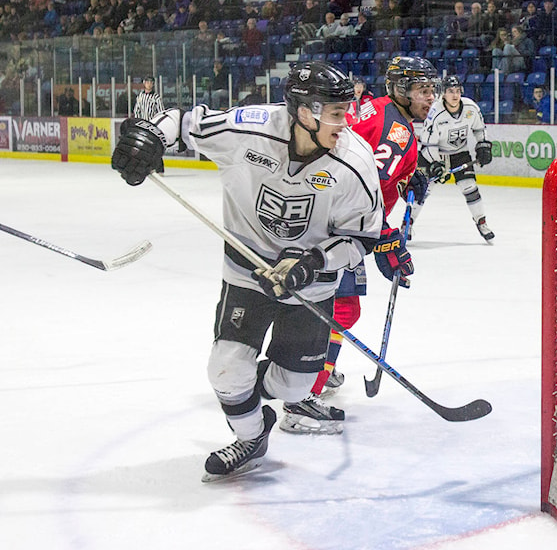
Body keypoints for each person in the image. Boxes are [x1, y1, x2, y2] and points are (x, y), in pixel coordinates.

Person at [110, 61, 383, 481]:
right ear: (304, 112)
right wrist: (150, 136)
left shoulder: (355, 164)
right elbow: (183, 122)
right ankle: (252, 437)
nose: (343, 123)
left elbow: (361, 240)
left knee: (294, 386)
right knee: (225, 365)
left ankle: (247, 391)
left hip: (308, 288)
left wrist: (311, 264)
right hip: (245, 274)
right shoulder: (250, 128)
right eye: (334, 112)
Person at [281, 57, 436, 434]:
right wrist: (384, 237)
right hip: (339, 225)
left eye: (432, 90)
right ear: (400, 90)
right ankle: (303, 395)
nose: (430, 98)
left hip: (328, 214)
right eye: (423, 90)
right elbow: (365, 189)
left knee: (332, 305)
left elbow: (363, 159)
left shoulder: (381, 111)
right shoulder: (397, 130)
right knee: (340, 309)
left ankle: (314, 370)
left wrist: (410, 172)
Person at [410, 75, 495, 242]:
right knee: (424, 191)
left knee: (469, 187)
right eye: (450, 91)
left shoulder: (471, 107)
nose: (455, 95)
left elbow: (479, 129)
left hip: (459, 154)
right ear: (443, 94)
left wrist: (483, 144)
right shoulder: (435, 112)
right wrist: (436, 163)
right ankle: (408, 223)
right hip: (433, 154)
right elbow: (429, 145)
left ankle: (481, 222)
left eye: (457, 91)